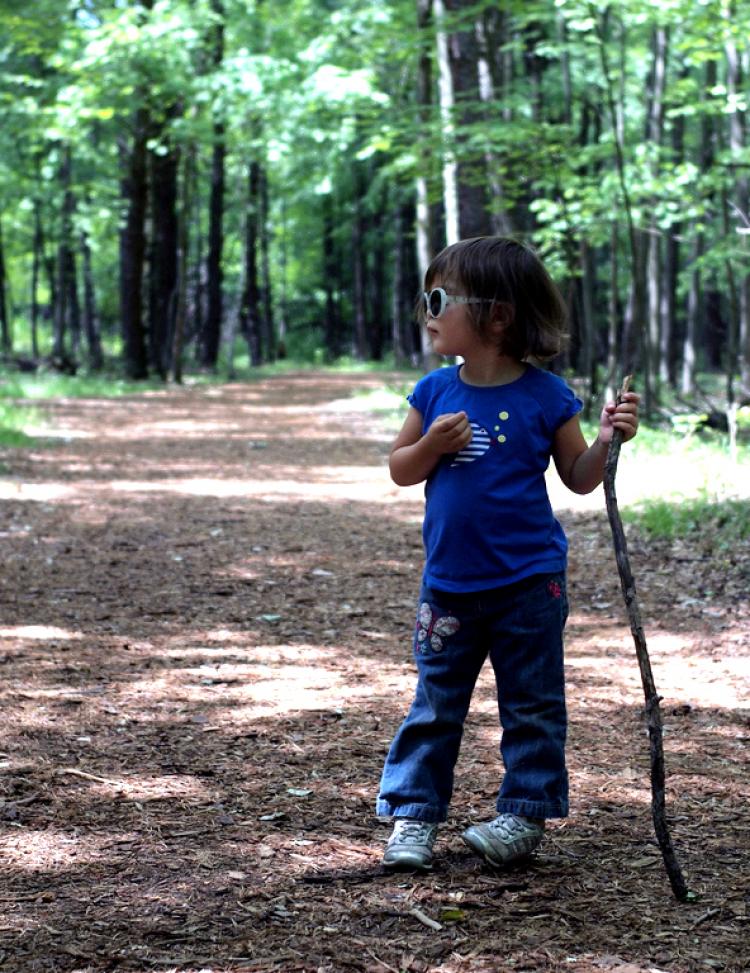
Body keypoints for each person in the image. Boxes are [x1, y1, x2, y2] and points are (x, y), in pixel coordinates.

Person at [376, 236, 640, 871]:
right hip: (449, 584)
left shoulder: (546, 396)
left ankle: (523, 814)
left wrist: (607, 438)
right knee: (436, 704)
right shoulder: (434, 393)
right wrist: (433, 446)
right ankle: (413, 816)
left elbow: (579, 476)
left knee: (532, 703)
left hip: (529, 583)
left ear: (497, 315)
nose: (427, 310)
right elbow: (400, 469)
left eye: (438, 298)